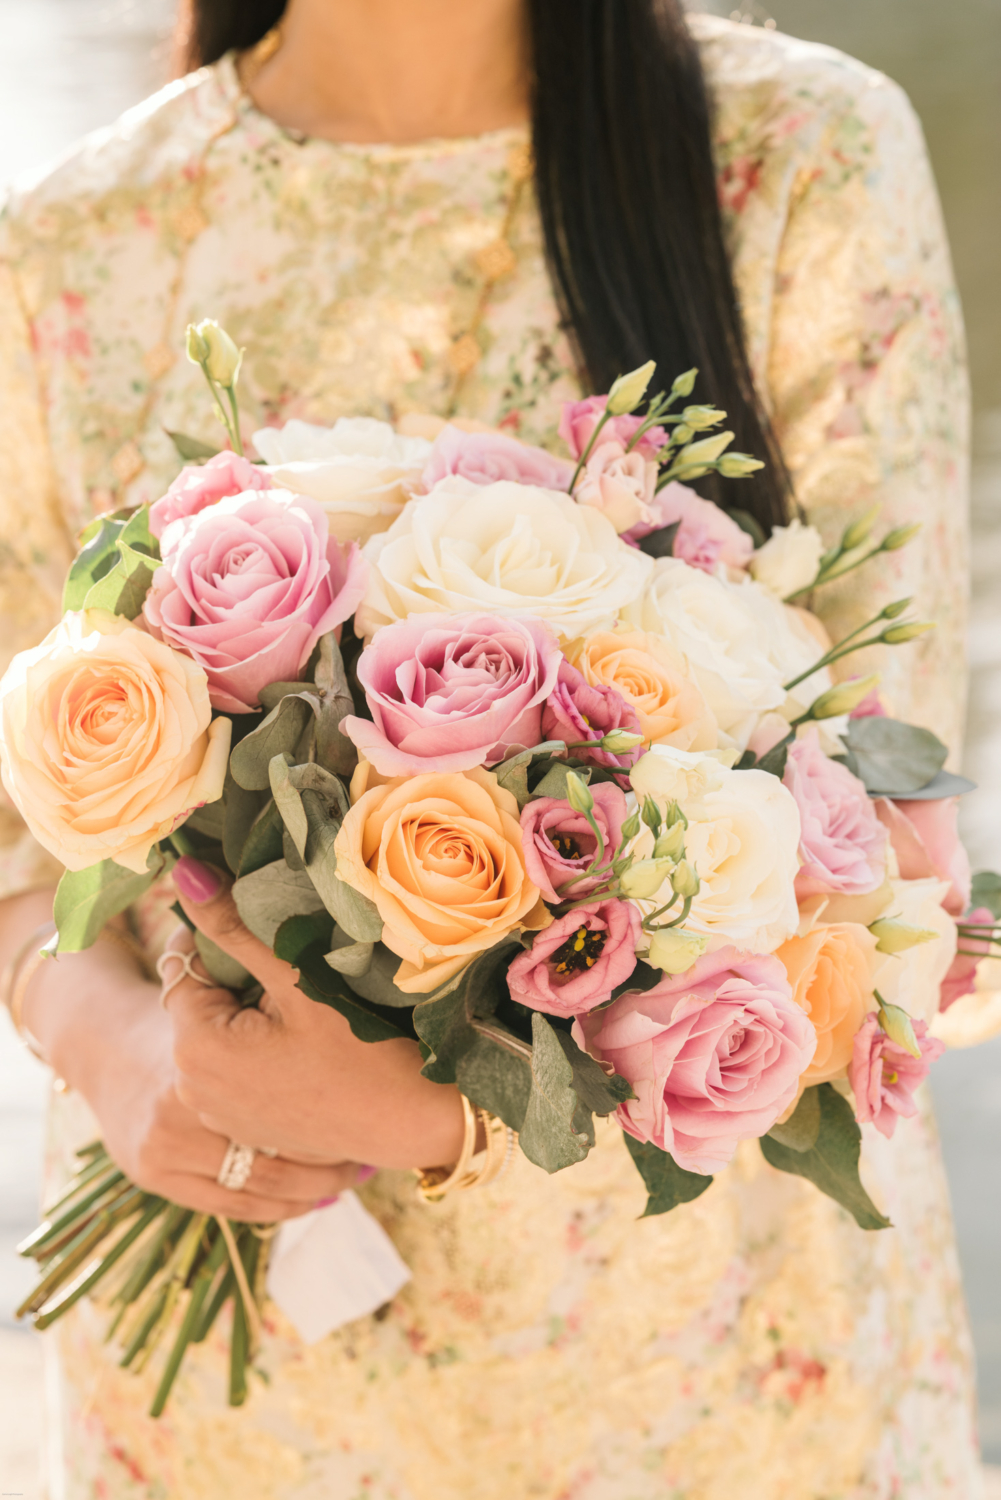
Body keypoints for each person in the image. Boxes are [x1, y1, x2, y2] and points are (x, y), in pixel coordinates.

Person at [0, 0, 979, 1494]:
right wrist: (118, 1046)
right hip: (248, 1384)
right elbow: (21, 848)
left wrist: (455, 1107)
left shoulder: (794, 159)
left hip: (725, 1375)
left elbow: (900, 865)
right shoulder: (79, 243)